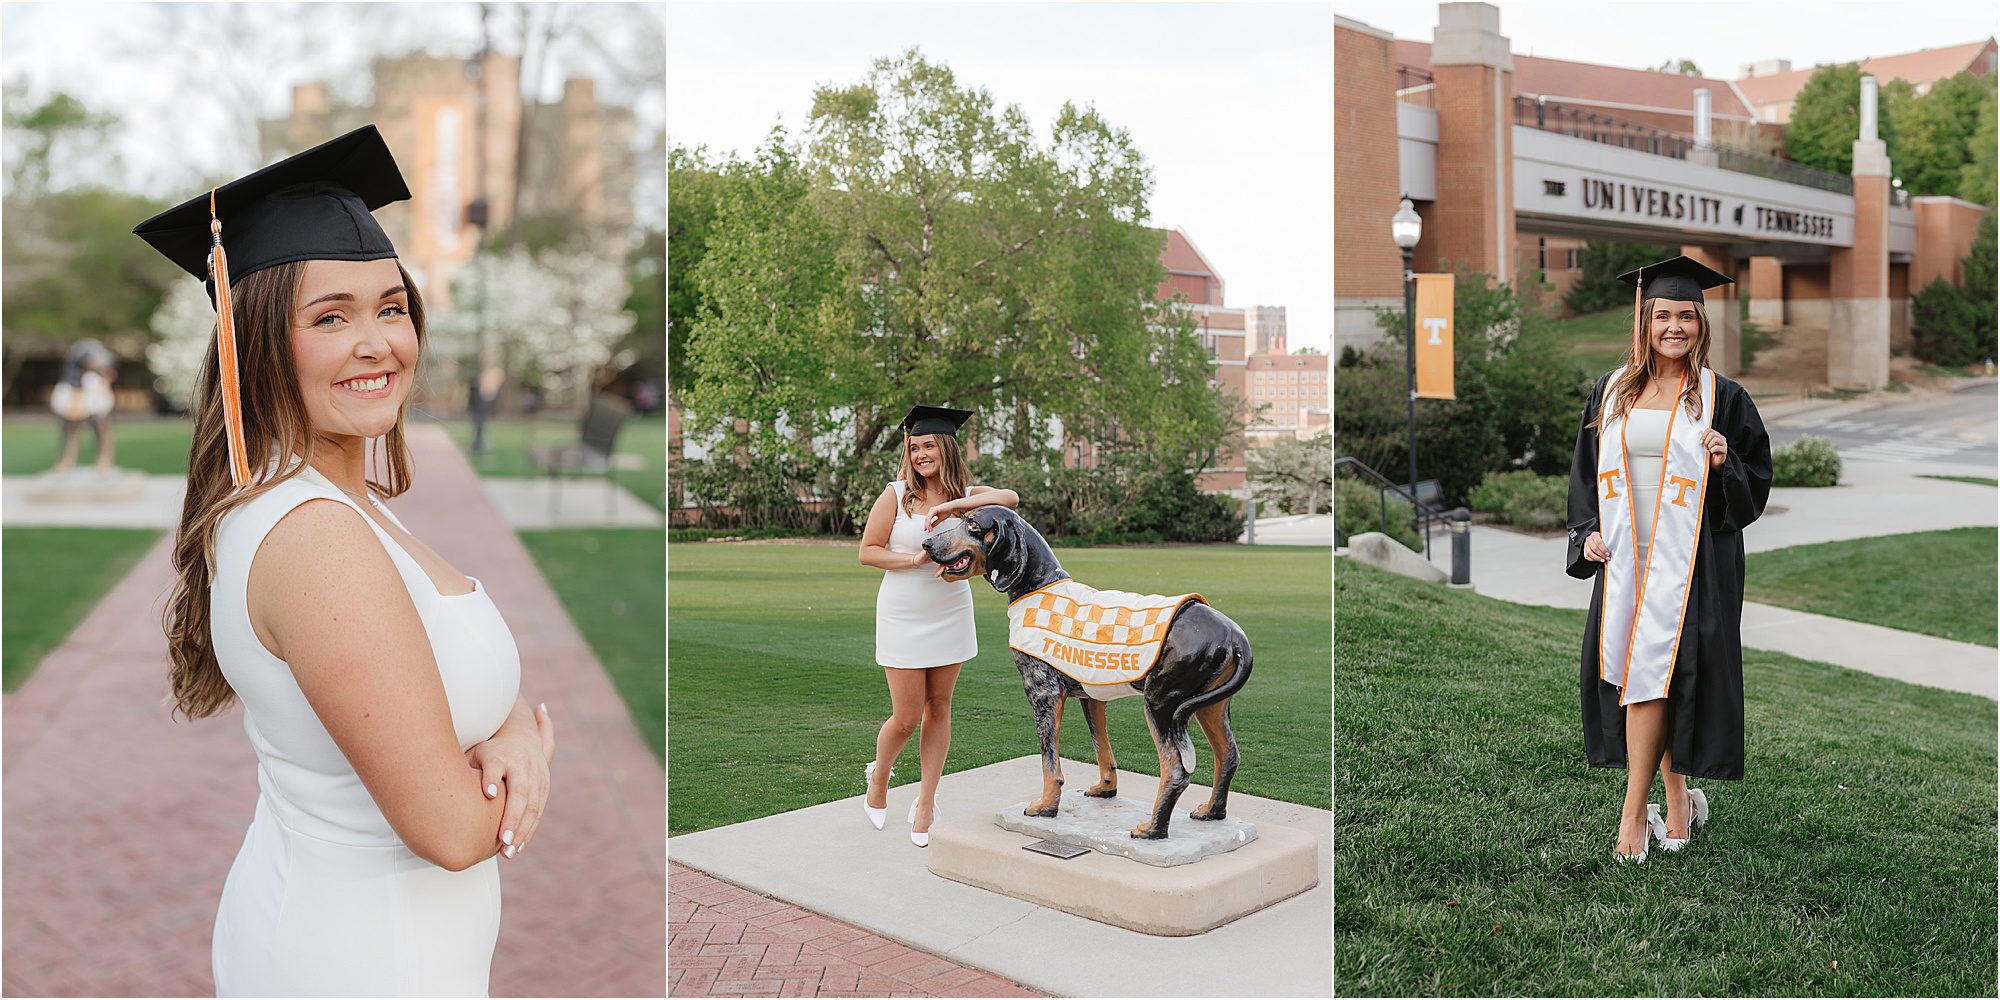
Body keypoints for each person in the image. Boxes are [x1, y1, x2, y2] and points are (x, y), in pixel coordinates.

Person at [135, 125, 554, 996]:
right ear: (254, 344)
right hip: (363, 960)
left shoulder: (329, 503)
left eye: (391, 307)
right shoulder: (316, 536)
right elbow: (453, 832)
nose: (379, 343)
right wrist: (537, 752)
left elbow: (438, 683)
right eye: (331, 317)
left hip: (365, 936)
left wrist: (510, 725)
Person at [1564, 255, 1772, 863]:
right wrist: (1586, 534)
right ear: (1644, 321)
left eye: (1686, 314)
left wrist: (1724, 462)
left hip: (1696, 561)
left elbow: (1754, 486)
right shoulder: (1611, 391)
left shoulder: (1723, 398)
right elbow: (1583, 477)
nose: (1674, 326)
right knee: (1642, 675)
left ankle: (1633, 817)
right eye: (1662, 315)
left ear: (1702, 323)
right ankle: (1677, 797)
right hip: (1628, 556)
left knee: (1660, 673)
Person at [857, 405, 1019, 847]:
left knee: (940, 708)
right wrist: (913, 559)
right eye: (913, 448)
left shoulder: (968, 495)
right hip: (903, 613)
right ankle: (881, 776)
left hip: (949, 612)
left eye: (928, 446)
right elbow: (868, 551)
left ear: (946, 448)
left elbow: (1011, 499)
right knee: (906, 718)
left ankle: (926, 801)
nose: (920, 455)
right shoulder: (896, 494)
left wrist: (959, 503)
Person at [49, 341, 118, 473]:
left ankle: (103, 459)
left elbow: (105, 390)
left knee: (100, 426)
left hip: (96, 407)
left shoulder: (98, 375)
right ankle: (67, 459)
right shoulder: (71, 380)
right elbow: (72, 408)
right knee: (69, 428)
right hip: (78, 404)